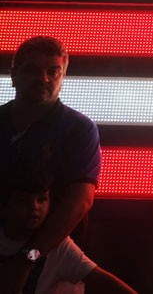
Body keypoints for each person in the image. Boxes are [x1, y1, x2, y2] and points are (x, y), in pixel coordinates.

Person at [1, 38, 101, 294]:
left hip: (56, 264)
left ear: (63, 76)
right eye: (32, 70)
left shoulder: (78, 129)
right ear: (13, 75)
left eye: (53, 71)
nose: (43, 79)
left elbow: (79, 202)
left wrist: (27, 259)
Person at [0, 166, 136, 294]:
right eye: (23, 201)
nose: (34, 207)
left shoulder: (58, 246)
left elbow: (104, 281)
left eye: (42, 199)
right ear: (4, 207)